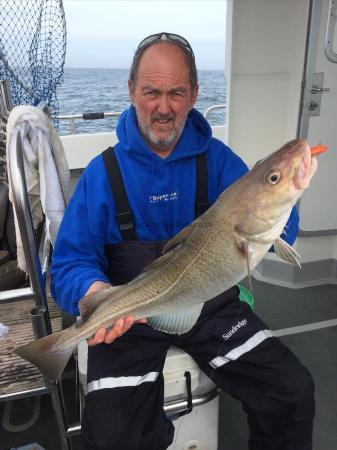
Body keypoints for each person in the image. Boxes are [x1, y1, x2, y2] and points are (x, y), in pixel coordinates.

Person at [51, 32, 315, 450]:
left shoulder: (221, 160)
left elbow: (276, 229)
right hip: (131, 315)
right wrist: (95, 292)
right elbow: (68, 264)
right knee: (113, 434)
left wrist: (286, 196)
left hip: (210, 303)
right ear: (132, 91)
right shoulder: (103, 175)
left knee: (291, 392)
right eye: (151, 91)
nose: (163, 106)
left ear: (193, 95)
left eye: (176, 93)